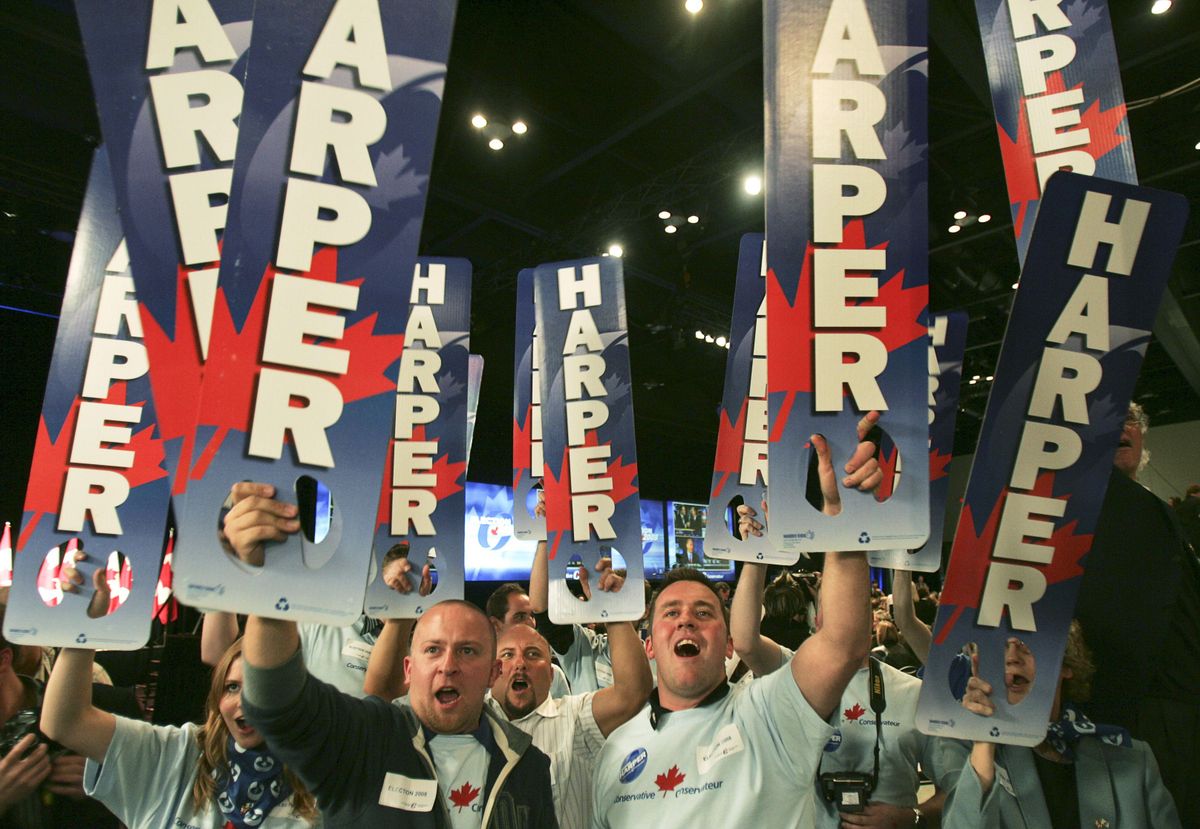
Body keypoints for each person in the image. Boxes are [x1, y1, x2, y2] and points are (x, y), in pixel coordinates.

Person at [590, 413, 881, 828]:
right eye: (670, 613)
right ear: (648, 644)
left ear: (728, 644)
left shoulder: (771, 711)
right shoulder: (615, 752)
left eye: (704, 613)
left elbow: (843, 643)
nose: (686, 620)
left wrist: (840, 514)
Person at [223, 482, 557, 827]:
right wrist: (269, 586)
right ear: (409, 669)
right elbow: (277, 705)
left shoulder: (528, 765)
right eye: (433, 649)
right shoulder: (362, 739)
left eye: (467, 651)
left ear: (493, 673)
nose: (448, 665)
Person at [40, 559, 318, 829]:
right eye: (231, 687)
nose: (245, 701)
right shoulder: (177, 753)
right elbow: (65, 722)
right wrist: (82, 631)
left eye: (264, 689)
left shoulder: (323, 779)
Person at [730, 546, 945, 828]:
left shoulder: (913, 692)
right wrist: (755, 553)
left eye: (851, 608)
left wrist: (911, 817)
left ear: (868, 619)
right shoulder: (793, 676)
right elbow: (746, 642)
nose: (840, 619)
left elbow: (957, 788)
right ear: (815, 621)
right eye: (829, 610)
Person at [1073, 402, 1200, 823]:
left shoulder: (1154, 510)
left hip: (1177, 698)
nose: (1122, 430)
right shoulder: (1087, 510)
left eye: (1130, 422)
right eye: (1107, 424)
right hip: (1137, 704)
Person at [940, 621, 1181, 828]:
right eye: (1002, 648)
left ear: (1066, 664)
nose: (1012, 658)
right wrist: (984, 740)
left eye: (1026, 645)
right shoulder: (970, 756)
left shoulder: (1134, 762)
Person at [486, 621, 651, 828]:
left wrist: (613, 611)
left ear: (551, 674)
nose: (520, 663)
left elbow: (632, 691)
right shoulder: (472, 720)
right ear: (491, 672)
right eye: (508, 655)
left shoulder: (576, 717)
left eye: (533, 654)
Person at [487, 581, 573, 698]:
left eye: (532, 616)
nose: (530, 623)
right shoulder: (478, 676)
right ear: (495, 625)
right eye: (520, 617)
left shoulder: (552, 673)